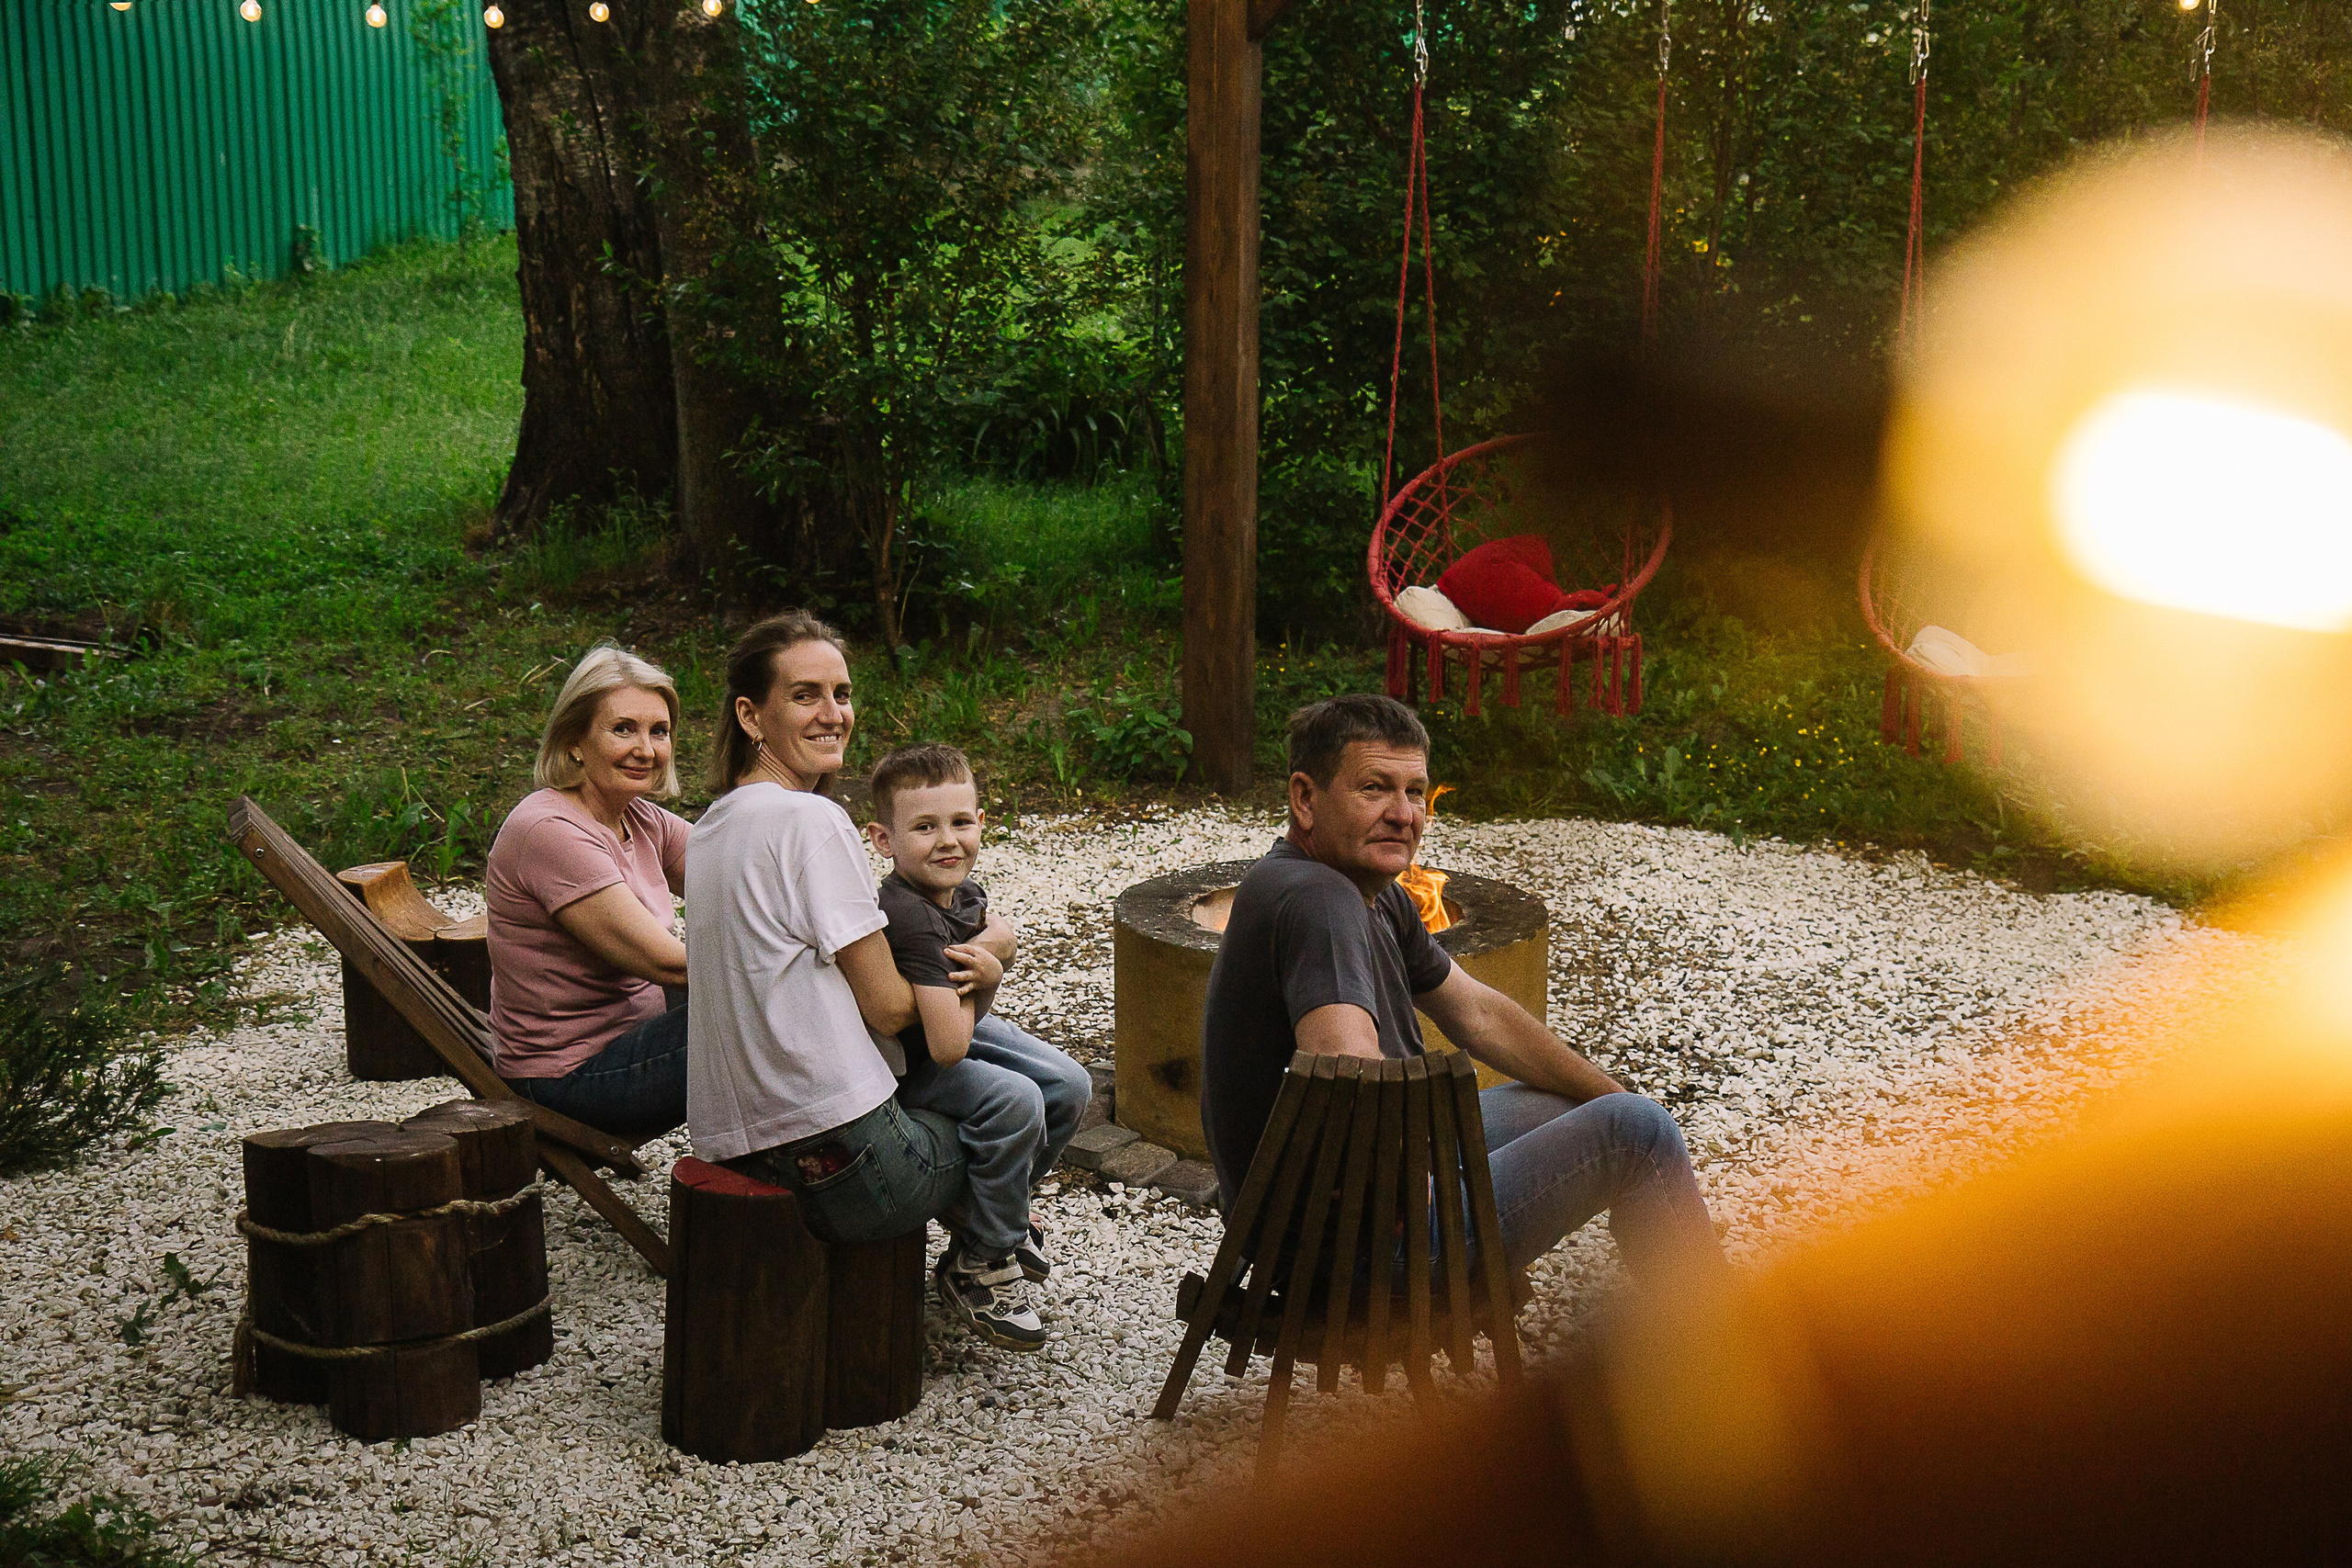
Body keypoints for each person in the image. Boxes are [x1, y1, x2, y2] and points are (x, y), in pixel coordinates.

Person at [1200, 693, 1724, 1284]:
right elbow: (1347, 1071)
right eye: (1374, 788)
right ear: (1305, 798)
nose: (1403, 813)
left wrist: (1610, 1091)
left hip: (1313, 1214)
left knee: (1591, 1104)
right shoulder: (1318, 899)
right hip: (1353, 1248)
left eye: (1414, 791)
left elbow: (1479, 1015)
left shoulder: (1371, 893)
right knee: (1637, 1132)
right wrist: (1413, 1177)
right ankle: (1716, 1353)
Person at [684, 612, 1016, 1342]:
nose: (834, 713)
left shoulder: (710, 827)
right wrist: (990, 955)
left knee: (1007, 1061)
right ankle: (984, 1259)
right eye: (805, 695)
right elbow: (893, 1007)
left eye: (841, 691)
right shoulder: (811, 821)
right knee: (1028, 1111)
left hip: (735, 1139)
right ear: (750, 714)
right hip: (845, 1162)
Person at [863, 742, 1091, 1350]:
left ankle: (992, 1214)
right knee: (1016, 1100)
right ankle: (981, 1260)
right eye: (924, 827)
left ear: (982, 823)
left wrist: (991, 955)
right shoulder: (910, 917)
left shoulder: (962, 892)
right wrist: (994, 962)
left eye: (961, 822)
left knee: (1070, 1084)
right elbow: (947, 1044)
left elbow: (968, 1002)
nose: (947, 841)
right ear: (883, 839)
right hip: (907, 1067)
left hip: (945, 1036)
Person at [485, 644, 692, 1142]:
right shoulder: (550, 831)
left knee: (789, 1011)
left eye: (658, 731)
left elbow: (739, 878)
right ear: (575, 740)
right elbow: (669, 963)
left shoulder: (639, 817)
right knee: (765, 1024)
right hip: (567, 1079)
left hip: (630, 1043)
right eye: (623, 729)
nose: (646, 749)